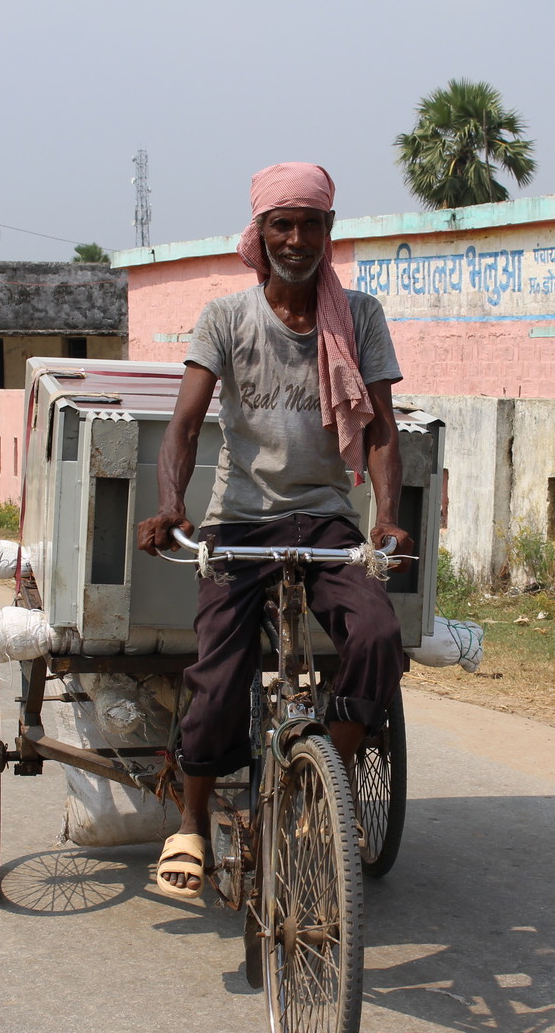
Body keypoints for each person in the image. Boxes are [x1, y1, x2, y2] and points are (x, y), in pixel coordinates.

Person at [136, 162, 411, 899]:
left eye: (310, 224)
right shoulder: (226, 317)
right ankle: (190, 822)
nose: (296, 239)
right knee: (218, 676)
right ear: (260, 234)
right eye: (281, 225)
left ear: (329, 232)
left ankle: (328, 781)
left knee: (377, 635)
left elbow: (381, 430)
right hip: (239, 522)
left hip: (325, 518)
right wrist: (173, 505)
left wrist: (386, 516)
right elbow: (185, 426)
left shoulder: (361, 316)